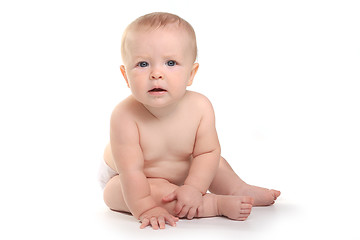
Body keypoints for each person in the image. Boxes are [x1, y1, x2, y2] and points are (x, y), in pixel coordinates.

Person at [99, 12, 280, 230]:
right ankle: (213, 204)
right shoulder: (124, 116)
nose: (156, 73)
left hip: (182, 169)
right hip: (131, 180)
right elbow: (132, 172)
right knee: (133, 192)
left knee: (215, 163)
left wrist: (194, 187)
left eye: (171, 62)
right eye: (143, 64)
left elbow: (207, 152)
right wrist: (146, 208)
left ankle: (238, 188)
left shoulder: (200, 107)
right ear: (125, 75)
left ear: (191, 73)